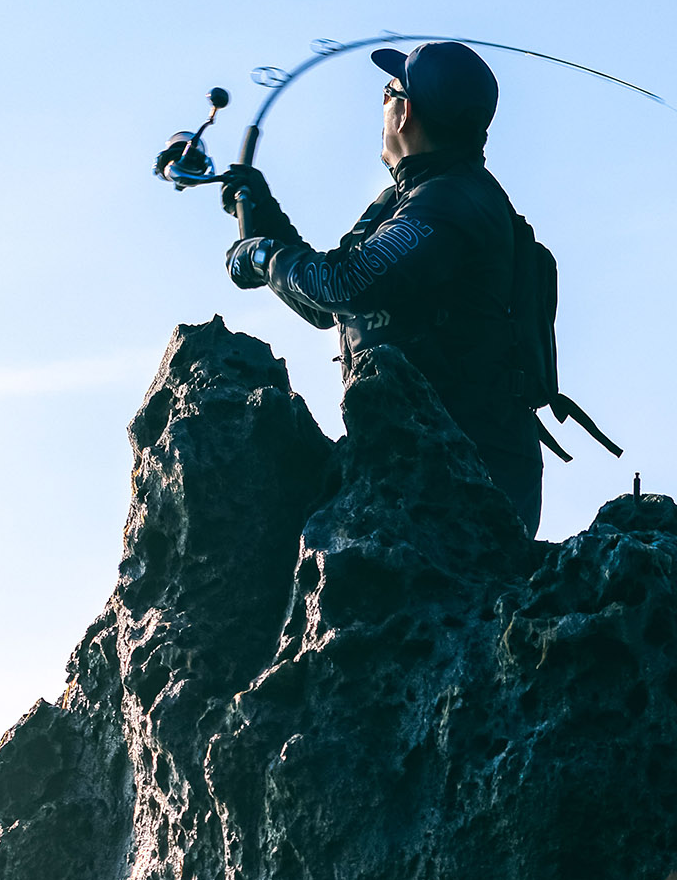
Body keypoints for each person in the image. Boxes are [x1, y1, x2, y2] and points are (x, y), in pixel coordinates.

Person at [220, 41, 544, 536]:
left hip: (471, 474)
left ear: (405, 111)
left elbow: (346, 284)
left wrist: (264, 256)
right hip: (424, 460)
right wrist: (261, 213)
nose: (384, 106)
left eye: (386, 94)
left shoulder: (446, 203)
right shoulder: (410, 195)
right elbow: (331, 306)